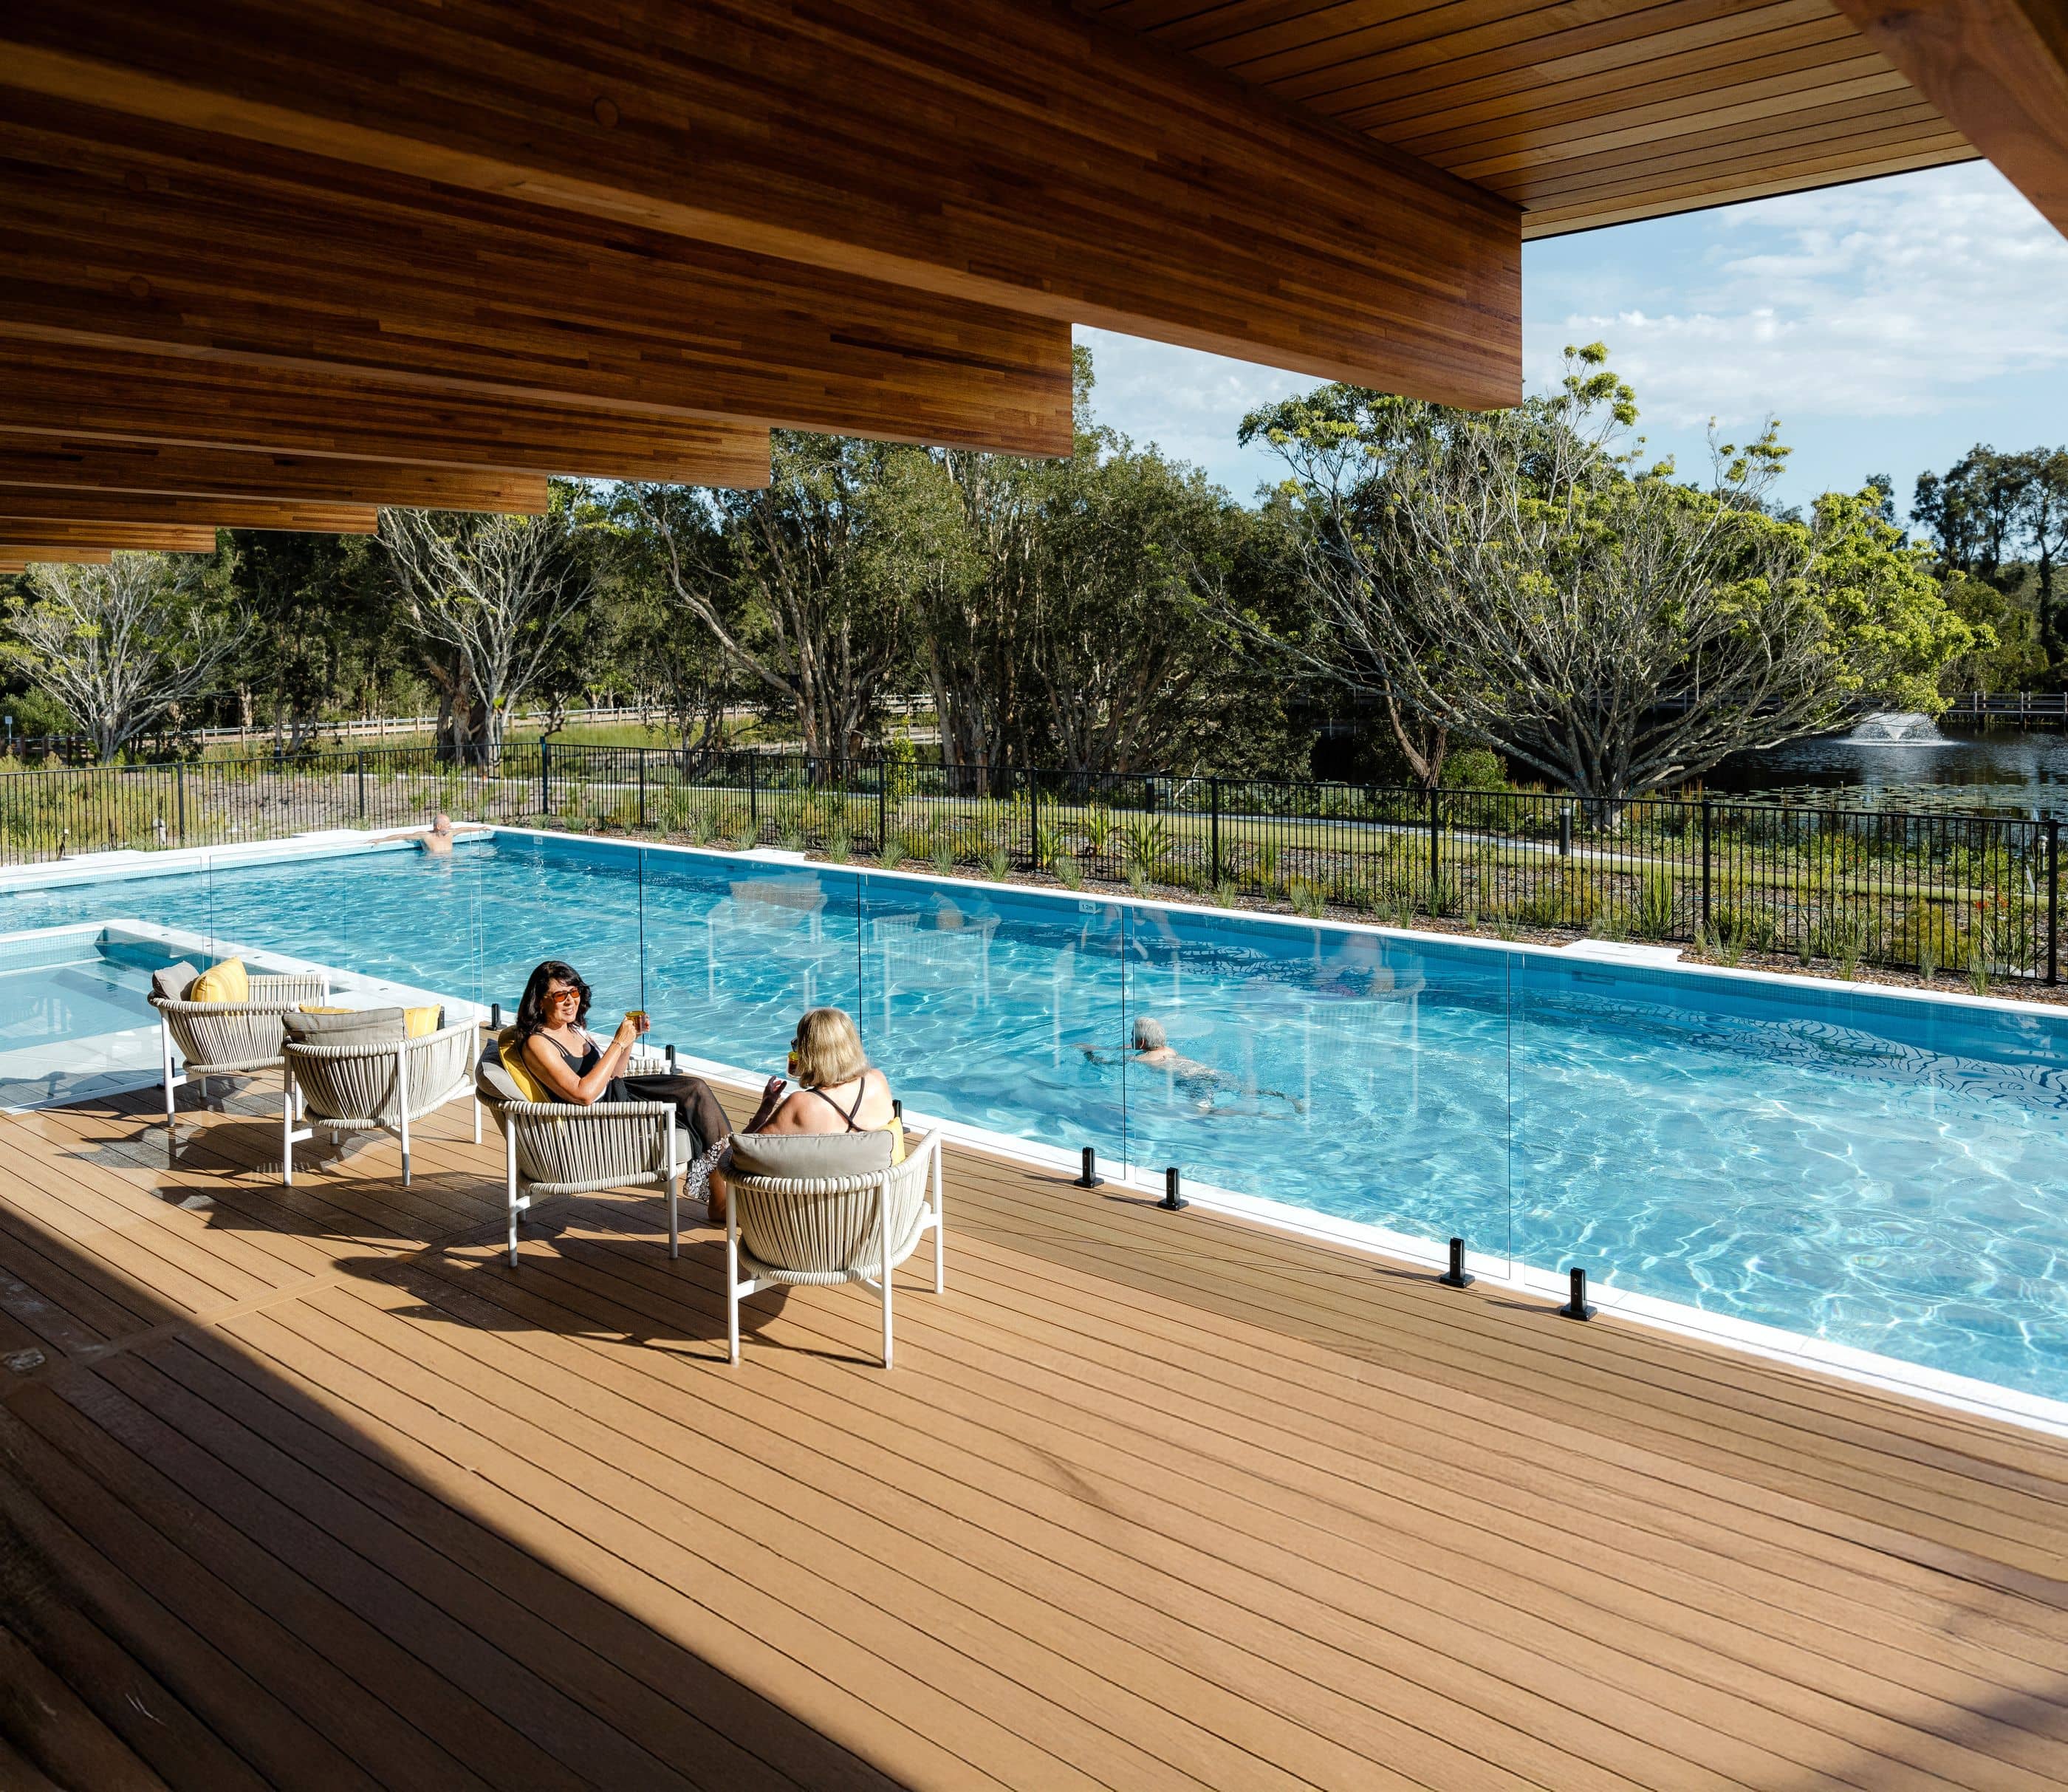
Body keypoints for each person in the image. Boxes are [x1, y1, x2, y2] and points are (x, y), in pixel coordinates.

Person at [511, 960, 735, 1221]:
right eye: (561, 995)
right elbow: (583, 1094)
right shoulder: (539, 1044)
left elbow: (612, 1075)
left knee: (694, 1091)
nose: (571, 1001)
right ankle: (724, 1197)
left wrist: (629, 1042)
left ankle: (723, 1194)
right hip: (595, 1118)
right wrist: (618, 1041)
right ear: (540, 1001)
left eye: (574, 992)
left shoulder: (572, 1029)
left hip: (615, 1096)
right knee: (694, 1092)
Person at [743, 1007, 905, 1162]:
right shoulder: (877, 1081)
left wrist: (765, 1107)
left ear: (809, 1054)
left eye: (798, 1044)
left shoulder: (801, 1105)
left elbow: (743, 1152)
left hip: (818, 1191)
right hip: (878, 1187)